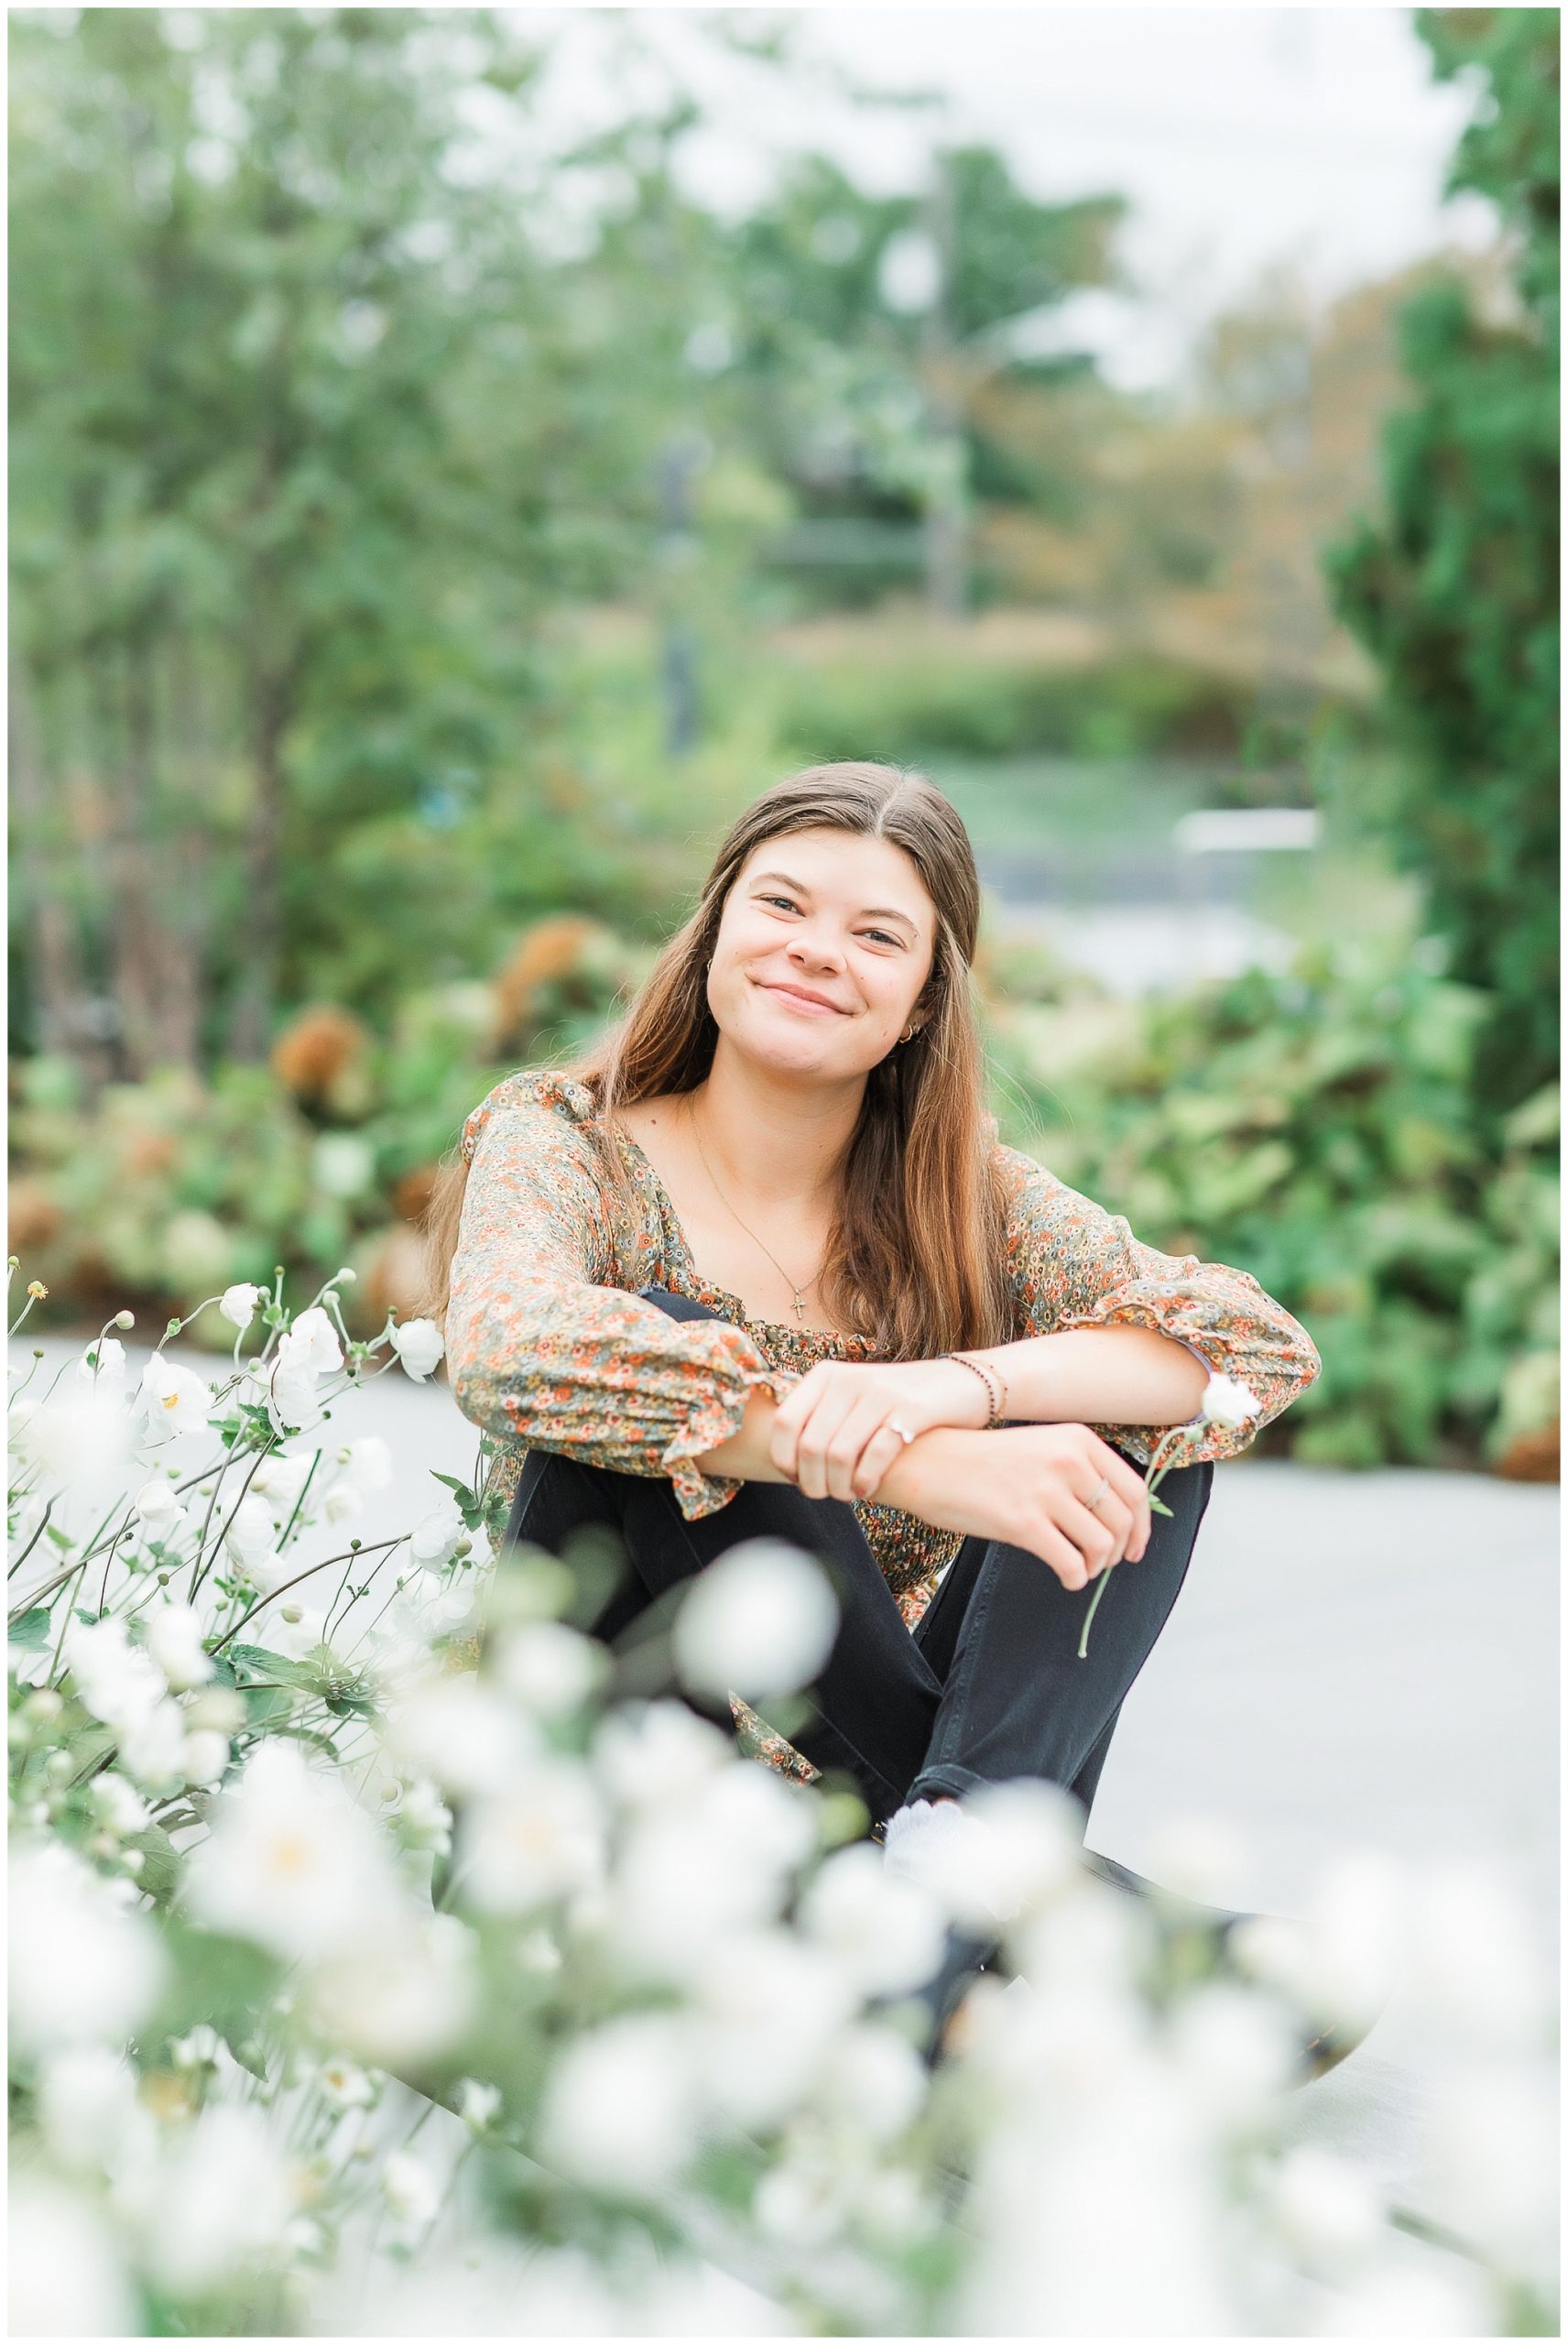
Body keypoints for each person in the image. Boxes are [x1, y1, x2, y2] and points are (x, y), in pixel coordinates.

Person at [422, 761, 1323, 2053]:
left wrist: (953, 1389)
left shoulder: (969, 1203)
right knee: (670, 1353)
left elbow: (1246, 1347)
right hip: (600, 1796)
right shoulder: (569, 1141)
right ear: (718, 927)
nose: (815, 954)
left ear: (919, 1004)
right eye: (783, 906)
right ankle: (1011, 1934)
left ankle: (947, 1878)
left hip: (845, 1813)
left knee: (1136, 1432)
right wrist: (897, 1462)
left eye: (877, 935)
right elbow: (508, 1346)